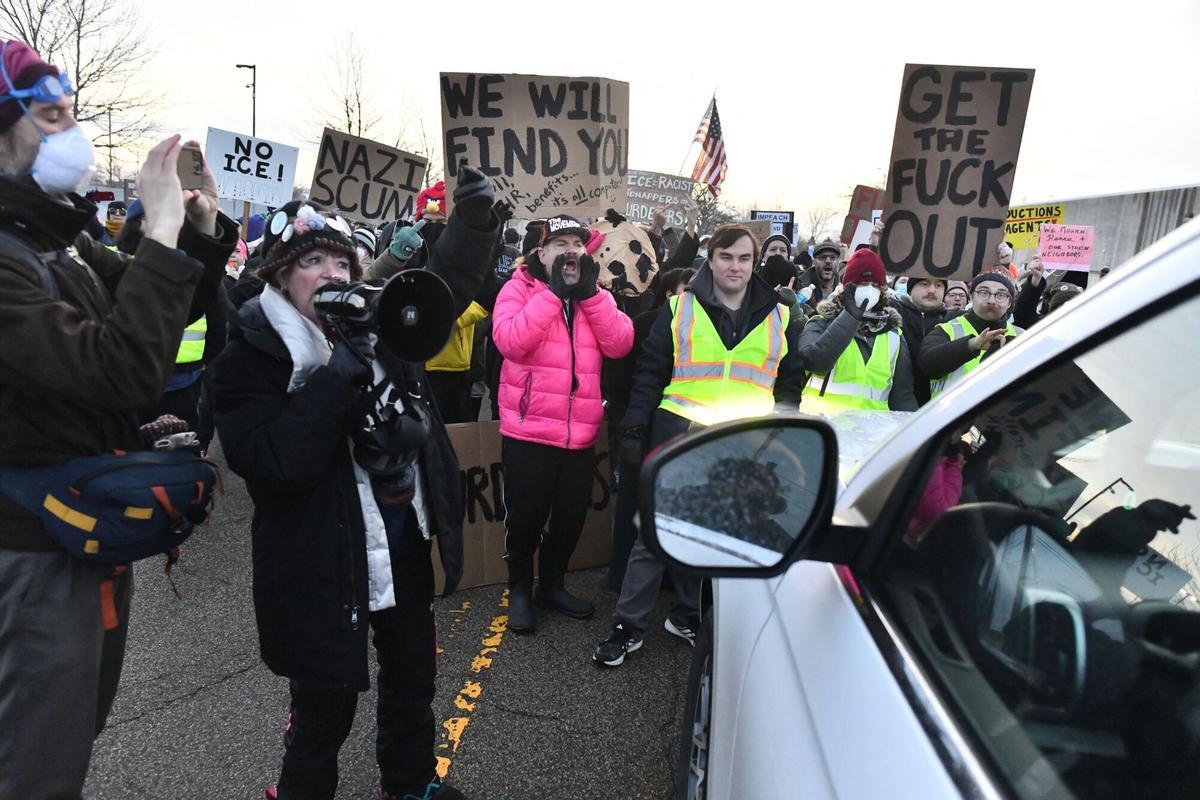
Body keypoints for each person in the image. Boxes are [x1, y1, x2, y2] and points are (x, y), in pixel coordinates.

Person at [212, 166, 499, 800]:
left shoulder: (374, 326)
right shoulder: (248, 358)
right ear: (282, 276)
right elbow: (272, 463)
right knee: (324, 708)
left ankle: (410, 783)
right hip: (318, 561)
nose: (334, 274)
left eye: (343, 262)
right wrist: (340, 374)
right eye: (314, 260)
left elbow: (441, 288)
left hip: (400, 543)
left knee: (413, 681)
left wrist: (475, 221)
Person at [0, 38, 236, 800]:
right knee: (34, 764)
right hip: (30, 554)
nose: (73, 133)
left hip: (79, 540)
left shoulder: (57, 236)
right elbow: (123, 369)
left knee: (72, 733)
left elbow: (155, 309)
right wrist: (158, 230)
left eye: (73, 113)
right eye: (50, 116)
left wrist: (195, 228)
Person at [596, 224, 805, 667]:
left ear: (755, 263)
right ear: (710, 259)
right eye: (727, 257)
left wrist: (783, 431)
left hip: (745, 443)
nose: (736, 266)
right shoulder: (678, 308)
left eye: (745, 259)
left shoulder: (781, 315)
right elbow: (650, 375)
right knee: (657, 534)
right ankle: (629, 625)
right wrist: (634, 428)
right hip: (682, 433)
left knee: (713, 537)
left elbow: (790, 381)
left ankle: (687, 614)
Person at [492, 213, 634, 634]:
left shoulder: (594, 293)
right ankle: (520, 587)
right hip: (529, 430)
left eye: (576, 243)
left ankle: (551, 585)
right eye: (560, 244)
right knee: (526, 518)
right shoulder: (518, 288)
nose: (570, 251)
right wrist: (553, 295)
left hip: (580, 433)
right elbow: (511, 341)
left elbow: (621, 342)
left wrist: (589, 296)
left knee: (570, 518)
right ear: (541, 252)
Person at [798, 248, 918, 413]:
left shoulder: (894, 336)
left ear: (882, 290)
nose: (869, 289)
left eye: (875, 285)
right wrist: (850, 318)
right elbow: (815, 362)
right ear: (846, 288)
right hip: (824, 431)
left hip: (872, 434)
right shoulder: (820, 323)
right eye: (861, 284)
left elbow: (903, 398)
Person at [919, 271, 1022, 398]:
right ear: (971, 297)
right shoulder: (946, 329)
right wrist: (972, 345)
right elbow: (927, 364)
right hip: (951, 414)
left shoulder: (1022, 336)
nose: (991, 300)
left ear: (1010, 302)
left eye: (1001, 295)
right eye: (984, 293)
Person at [891, 274, 949, 406]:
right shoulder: (892, 312)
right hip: (892, 407)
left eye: (939, 285)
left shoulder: (953, 319)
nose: (932, 290)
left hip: (938, 409)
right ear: (910, 288)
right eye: (925, 284)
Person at [798, 238, 841, 309]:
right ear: (814, 262)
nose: (828, 261)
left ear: (838, 263)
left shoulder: (844, 290)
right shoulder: (800, 287)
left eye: (833, 258)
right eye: (822, 257)